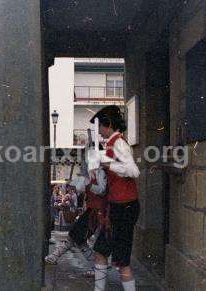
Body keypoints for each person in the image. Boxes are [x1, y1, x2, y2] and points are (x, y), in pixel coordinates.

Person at [90, 105, 140, 291]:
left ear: (108, 124)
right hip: (117, 207)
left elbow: (133, 171)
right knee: (101, 251)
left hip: (124, 208)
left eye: (100, 127)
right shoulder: (111, 144)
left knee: (121, 261)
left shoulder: (118, 143)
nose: (99, 132)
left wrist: (108, 164)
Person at [45, 167, 107, 268]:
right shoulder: (91, 173)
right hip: (92, 210)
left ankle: (96, 265)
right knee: (76, 237)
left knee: (76, 236)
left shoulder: (100, 172)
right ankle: (95, 265)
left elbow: (102, 190)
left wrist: (88, 185)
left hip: (96, 212)